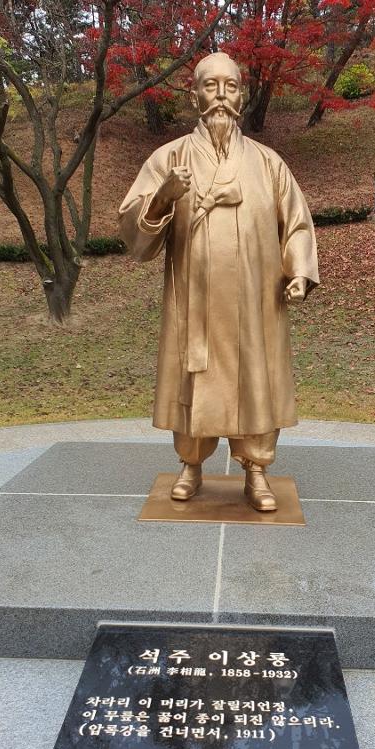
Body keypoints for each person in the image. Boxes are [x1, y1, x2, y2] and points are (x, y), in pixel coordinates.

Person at [118, 51, 319, 511]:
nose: (221, 97)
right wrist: (163, 197)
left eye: (230, 87)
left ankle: (257, 471)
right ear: (194, 96)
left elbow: (297, 223)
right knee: (193, 378)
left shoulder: (268, 163)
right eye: (211, 87)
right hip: (195, 300)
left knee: (255, 379)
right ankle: (191, 465)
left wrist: (299, 271)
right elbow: (134, 235)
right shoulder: (168, 159)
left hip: (256, 301)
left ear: (243, 96)